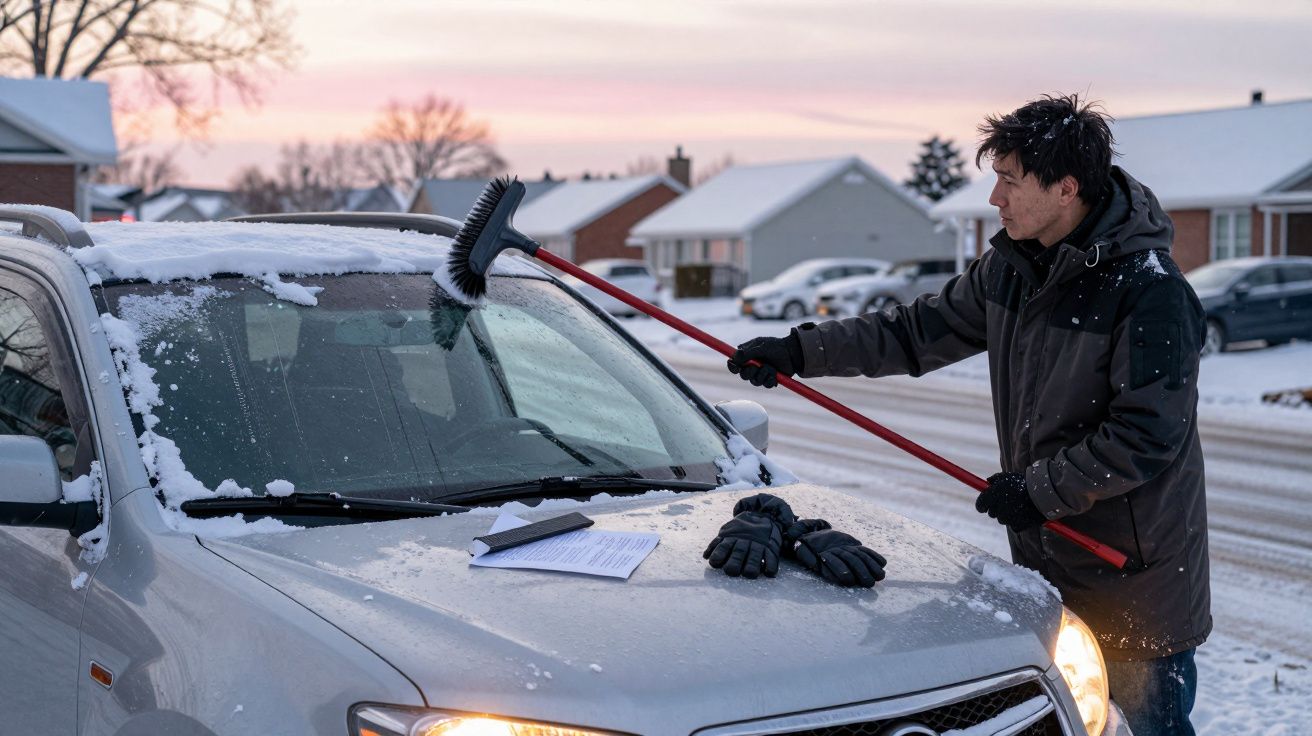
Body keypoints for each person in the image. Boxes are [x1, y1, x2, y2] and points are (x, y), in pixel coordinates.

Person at [726, 94, 1209, 736]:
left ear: (1066, 188)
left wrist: (1037, 491)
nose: (994, 198)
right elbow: (913, 331)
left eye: (1010, 180)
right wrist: (801, 351)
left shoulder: (1149, 292)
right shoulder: (1013, 270)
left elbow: (1146, 435)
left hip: (1131, 584)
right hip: (1046, 561)